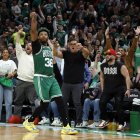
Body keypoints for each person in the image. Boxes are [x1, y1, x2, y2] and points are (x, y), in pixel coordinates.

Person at [23, 11, 78, 135]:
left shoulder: (49, 48)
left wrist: (58, 78)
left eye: (45, 34)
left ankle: (66, 126)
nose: (43, 35)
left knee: (60, 101)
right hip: (41, 78)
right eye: (41, 34)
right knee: (45, 103)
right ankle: (30, 121)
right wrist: (34, 19)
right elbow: (32, 32)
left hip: (51, 78)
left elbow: (54, 64)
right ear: (38, 36)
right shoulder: (37, 46)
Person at [53, 40, 90, 126]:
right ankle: (66, 121)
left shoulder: (81, 54)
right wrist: (55, 46)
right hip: (66, 83)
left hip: (78, 83)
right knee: (63, 102)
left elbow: (87, 53)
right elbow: (55, 54)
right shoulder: (66, 53)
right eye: (71, 44)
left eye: (75, 44)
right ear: (69, 46)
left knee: (77, 102)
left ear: (77, 45)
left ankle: (79, 122)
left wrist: (82, 48)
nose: (73, 46)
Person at [98, 48, 131, 131]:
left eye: (109, 54)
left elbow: (127, 77)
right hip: (108, 89)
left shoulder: (120, 65)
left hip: (119, 89)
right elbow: (101, 77)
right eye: (106, 54)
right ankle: (105, 119)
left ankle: (121, 123)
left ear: (114, 56)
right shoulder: (103, 65)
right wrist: (102, 88)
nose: (107, 56)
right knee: (101, 102)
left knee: (118, 105)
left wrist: (128, 89)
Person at [9, 29, 38, 122]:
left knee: (33, 102)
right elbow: (17, 43)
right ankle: (16, 117)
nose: (28, 46)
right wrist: (18, 33)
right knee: (18, 100)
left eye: (30, 45)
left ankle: (34, 118)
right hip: (20, 80)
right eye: (27, 45)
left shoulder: (36, 56)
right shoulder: (20, 53)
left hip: (32, 82)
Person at [0, 48, 17, 122]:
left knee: (9, 102)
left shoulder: (11, 62)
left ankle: (8, 119)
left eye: (6, 52)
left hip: (8, 81)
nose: (5, 53)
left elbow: (15, 70)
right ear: (2, 54)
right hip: (0, 81)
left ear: (8, 54)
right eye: (4, 52)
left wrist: (11, 75)